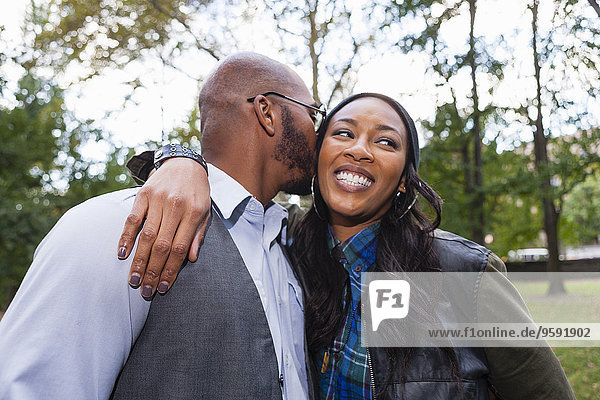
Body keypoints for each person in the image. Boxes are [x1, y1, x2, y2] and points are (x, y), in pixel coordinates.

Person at [124, 93, 576, 399]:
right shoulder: (283, 247)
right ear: (317, 159)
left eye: (385, 141)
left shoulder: (459, 274)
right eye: (343, 133)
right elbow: (229, 187)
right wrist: (181, 161)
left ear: (402, 181)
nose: (360, 150)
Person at [0, 52, 324, 399]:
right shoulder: (118, 226)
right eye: (314, 114)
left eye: (387, 142)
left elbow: (389, 344)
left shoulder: (299, 243)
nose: (320, 135)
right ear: (267, 112)